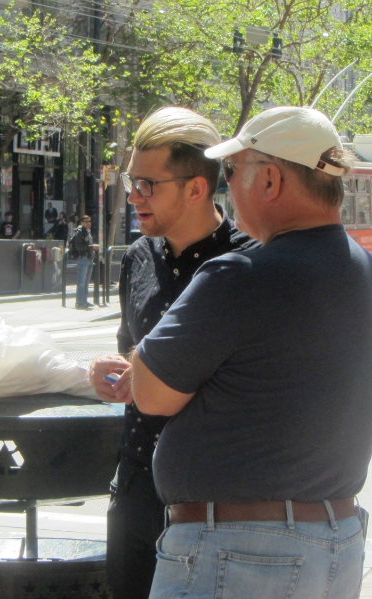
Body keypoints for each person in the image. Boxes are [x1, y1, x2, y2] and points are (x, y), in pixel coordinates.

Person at [131, 107, 372, 599]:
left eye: (234, 171)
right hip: (337, 541)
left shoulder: (240, 274)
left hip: (238, 551)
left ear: (270, 179)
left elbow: (150, 393)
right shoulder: (363, 270)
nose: (227, 185)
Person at [88, 106, 256, 599]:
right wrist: (110, 374)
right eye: (130, 181)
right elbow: (131, 352)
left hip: (213, 499)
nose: (135, 195)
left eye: (148, 184)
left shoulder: (250, 262)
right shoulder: (138, 257)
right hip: (136, 482)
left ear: (196, 188)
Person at [71, 215, 99, 309]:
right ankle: (79, 302)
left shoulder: (87, 231)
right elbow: (79, 247)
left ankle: (84, 300)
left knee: (86, 282)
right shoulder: (80, 232)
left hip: (89, 258)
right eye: (86, 221)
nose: (88, 223)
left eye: (89, 221)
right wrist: (91, 247)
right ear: (82, 223)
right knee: (81, 282)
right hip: (83, 258)